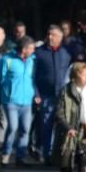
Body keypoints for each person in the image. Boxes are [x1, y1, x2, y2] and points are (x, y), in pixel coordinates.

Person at [34, 24, 73, 163]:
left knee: (63, 125)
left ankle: (60, 153)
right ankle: (47, 155)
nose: (50, 37)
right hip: (45, 95)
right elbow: (33, 75)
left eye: (54, 35)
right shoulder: (39, 52)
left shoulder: (67, 53)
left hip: (63, 95)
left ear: (61, 37)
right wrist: (36, 93)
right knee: (46, 126)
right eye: (49, 34)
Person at [0, 37, 37, 166]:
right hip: (11, 101)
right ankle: (6, 154)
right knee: (13, 127)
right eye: (31, 48)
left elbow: (35, 79)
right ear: (24, 49)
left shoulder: (33, 60)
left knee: (25, 129)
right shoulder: (6, 59)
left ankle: (21, 157)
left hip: (27, 101)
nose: (33, 51)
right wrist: (8, 92)